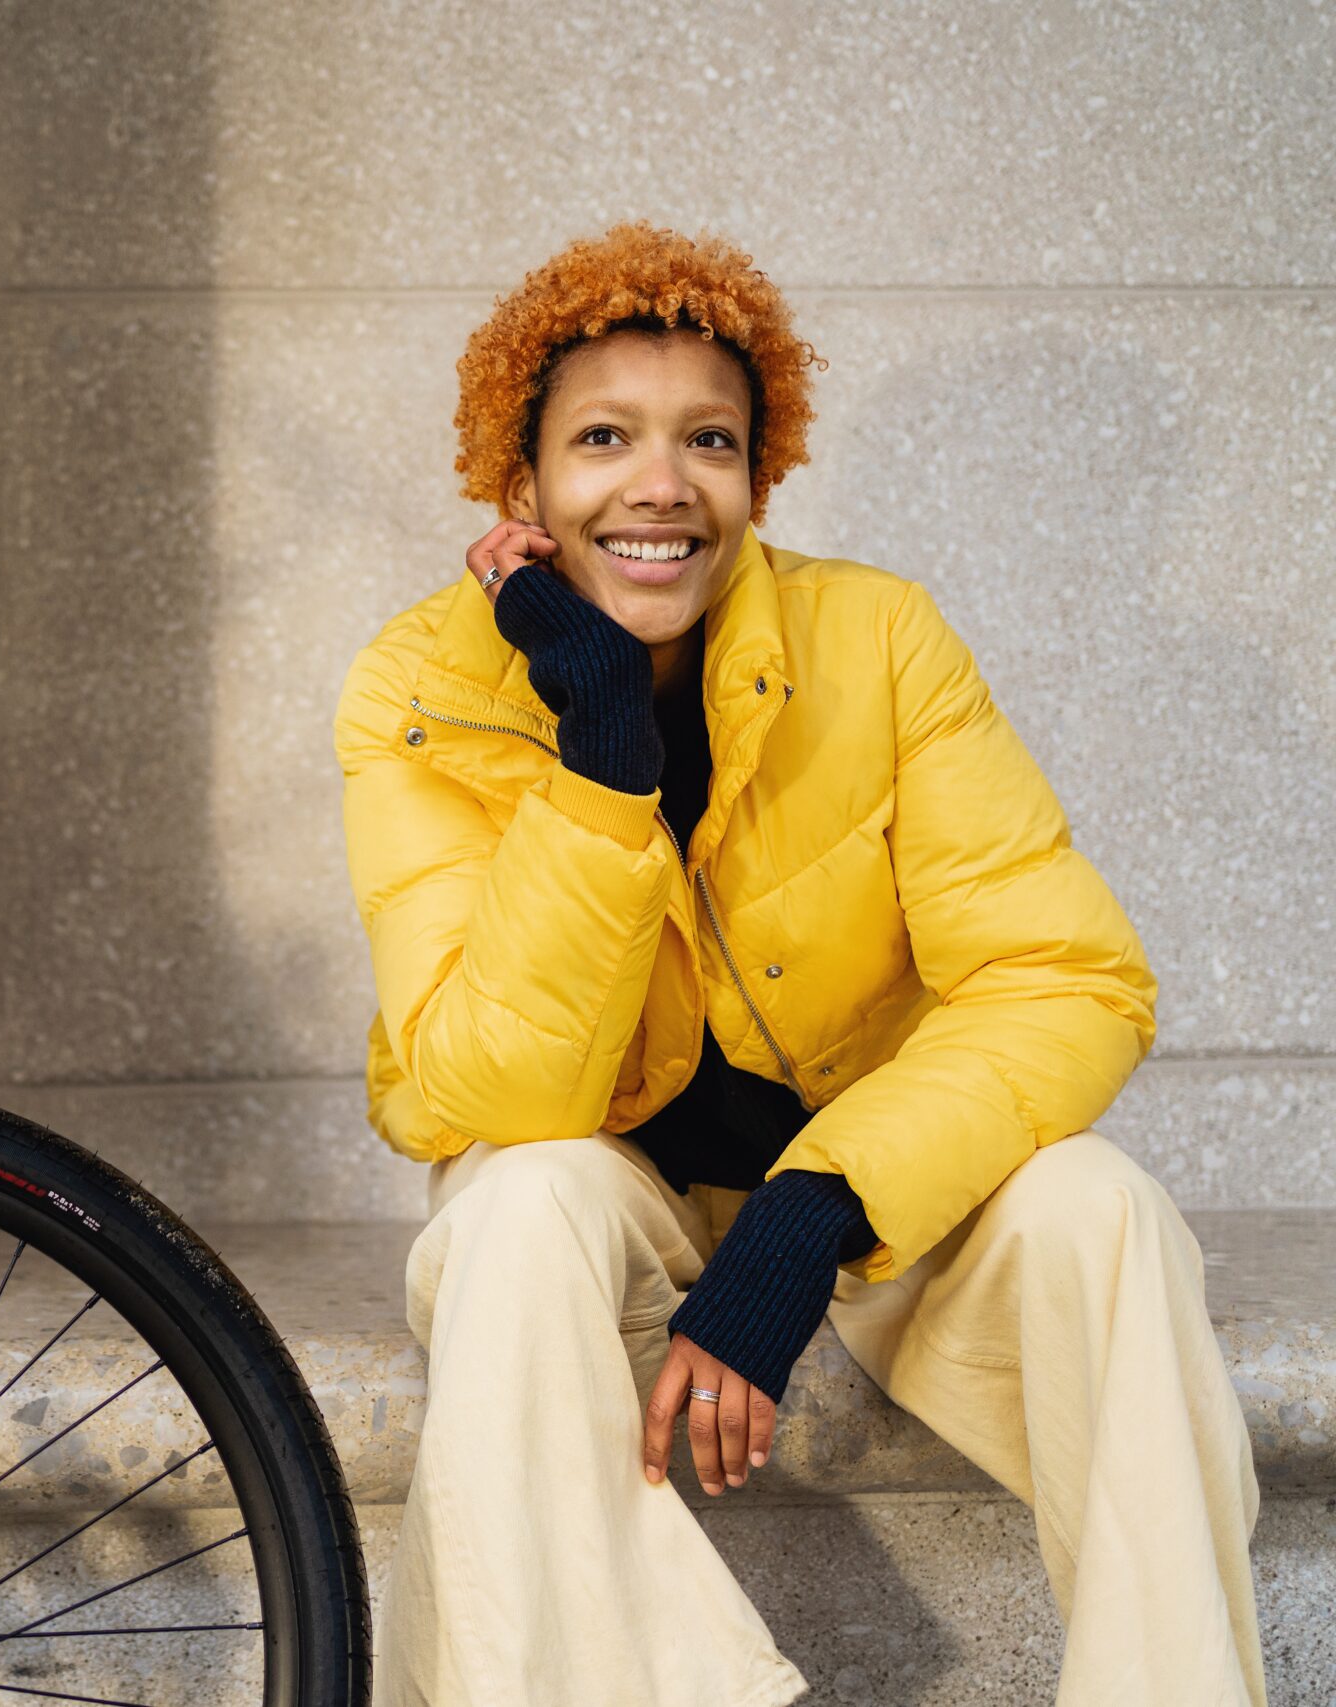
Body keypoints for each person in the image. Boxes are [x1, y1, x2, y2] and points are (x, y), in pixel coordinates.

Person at [333, 219, 1264, 1706]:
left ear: (760, 479)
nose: (660, 485)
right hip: (603, 1201)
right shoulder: (421, 690)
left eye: (710, 439)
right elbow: (495, 1089)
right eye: (602, 439)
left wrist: (808, 1214)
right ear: (520, 486)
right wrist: (600, 761)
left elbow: (1069, 980)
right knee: (509, 1214)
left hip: (869, 1189)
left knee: (1105, 1208)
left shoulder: (880, 641)